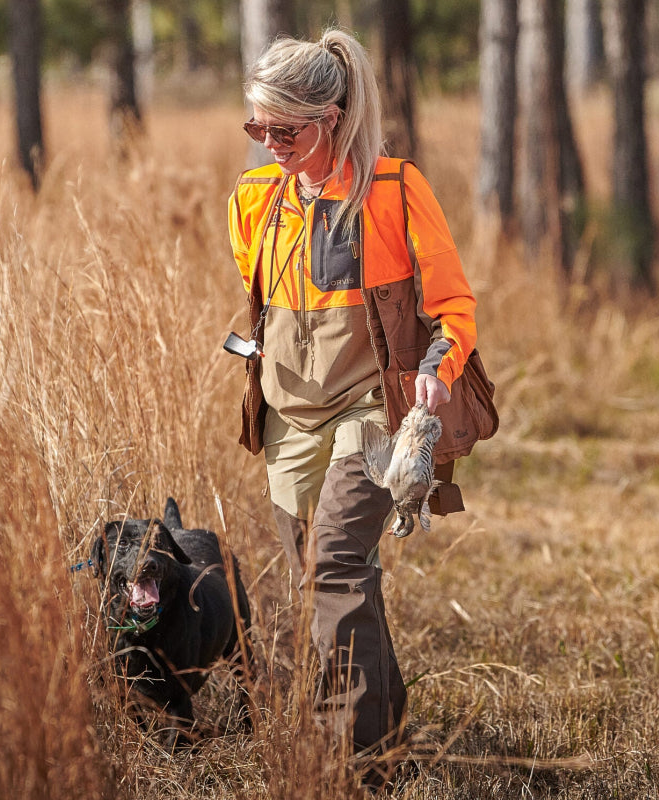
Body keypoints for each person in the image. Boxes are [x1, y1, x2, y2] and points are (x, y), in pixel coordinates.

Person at [226, 28, 477, 787]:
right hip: (287, 416)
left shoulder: (396, 191)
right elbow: (261, 301)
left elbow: (454, 308)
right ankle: (390, 746)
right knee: (329, 575)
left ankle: (352, 769)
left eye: (285, 130)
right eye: (257, 128)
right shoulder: (253, 201)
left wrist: (438, 370)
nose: (269, 144)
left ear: (331, 116)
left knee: (335, 564)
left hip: (370, 412)